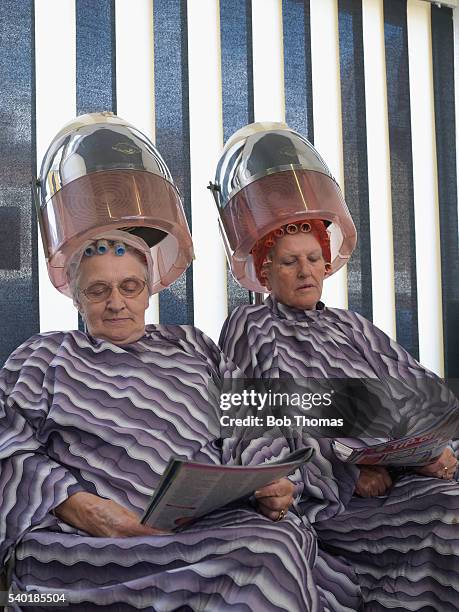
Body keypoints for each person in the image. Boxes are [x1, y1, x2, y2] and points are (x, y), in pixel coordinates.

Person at [0, 113, 361, 611]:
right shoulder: (43, 356)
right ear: (77, 298)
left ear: (149, 290)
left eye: (129, 287)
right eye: (98, 291)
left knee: (280, 541)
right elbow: (8, 448)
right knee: (264, 555)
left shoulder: (191, 345)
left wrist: (271, 480)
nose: (116, 303)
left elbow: (249, 422)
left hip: (206, 524)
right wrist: (81, 506)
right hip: (94, 543)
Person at [214, 123, 459, 610]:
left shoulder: (354, 326)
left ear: (327, 264)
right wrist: (351, 471)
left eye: (312, 259)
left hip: (403, 477)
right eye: (289, 262)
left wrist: (438, 449)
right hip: (339, 501)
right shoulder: (250, 326)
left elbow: (421, 393)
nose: (305, 272)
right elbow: (260, 424)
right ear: (265, 271)